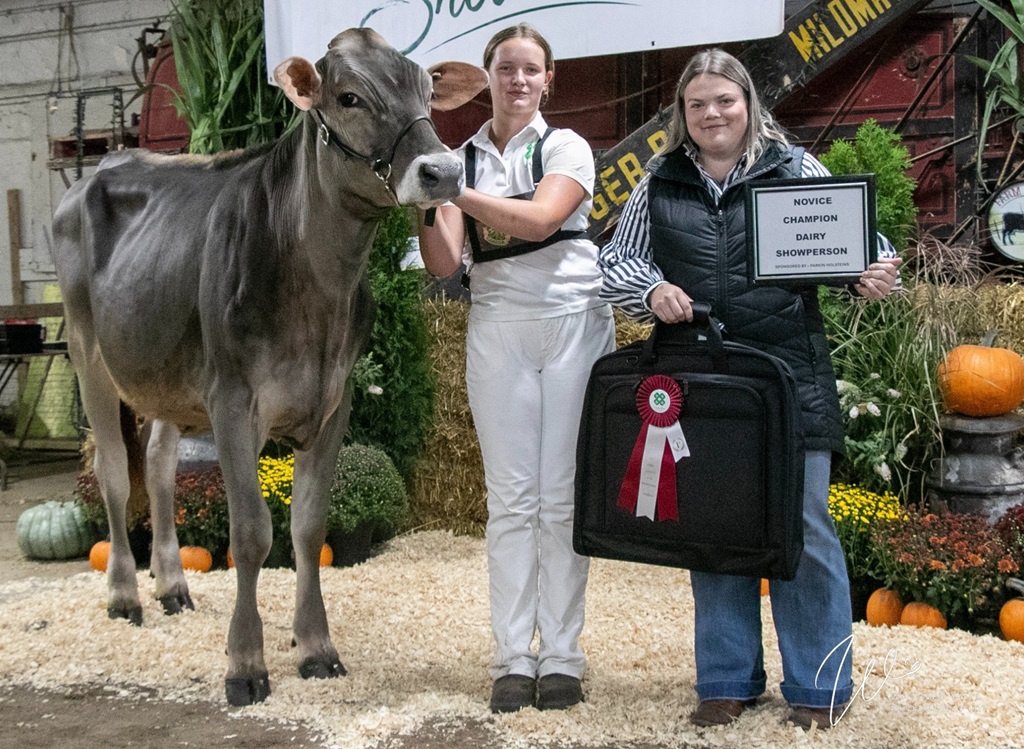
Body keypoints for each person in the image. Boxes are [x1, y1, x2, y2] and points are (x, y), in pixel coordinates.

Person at [598, 48, 901, 731]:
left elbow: (870, 249)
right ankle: (726, 678)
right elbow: (615, 260)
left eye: (724, 101)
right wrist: (650, 287)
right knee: (715, 527)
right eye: (697, 104)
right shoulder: (661, 179)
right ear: (682, 114)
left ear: (749, 104)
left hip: (789, 376)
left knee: (806, 529)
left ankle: (819, 685)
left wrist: (874, 273)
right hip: (702, 382)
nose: (712, 114)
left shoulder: (794, 170)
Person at [416, 24, 615, 714]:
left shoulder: (566, 147)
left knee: (560, 496)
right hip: (496, 326)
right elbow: (445, 264)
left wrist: (453, 188)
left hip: (571, 323)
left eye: (531, 70)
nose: (519, 81)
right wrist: (425, 197)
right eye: (507, 69)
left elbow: (540, 220)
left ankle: (561, 655)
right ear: (489, 76)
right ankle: (510, 658)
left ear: (548, 79)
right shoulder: (459, 156)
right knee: (510, 499)